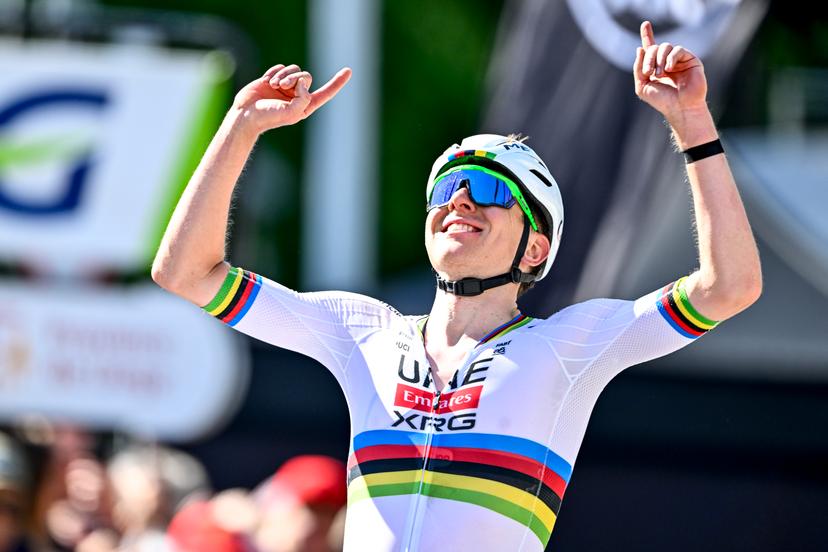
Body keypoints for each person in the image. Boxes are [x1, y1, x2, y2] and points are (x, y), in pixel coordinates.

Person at [152, 20, 761, 552]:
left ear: (537, 247)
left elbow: (728, 287)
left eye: (492, 192)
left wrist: (692, 124)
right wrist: (240, 128)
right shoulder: (360, 331)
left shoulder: (571, 344)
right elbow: (185, 272)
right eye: (447, 189)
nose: (460, 199)